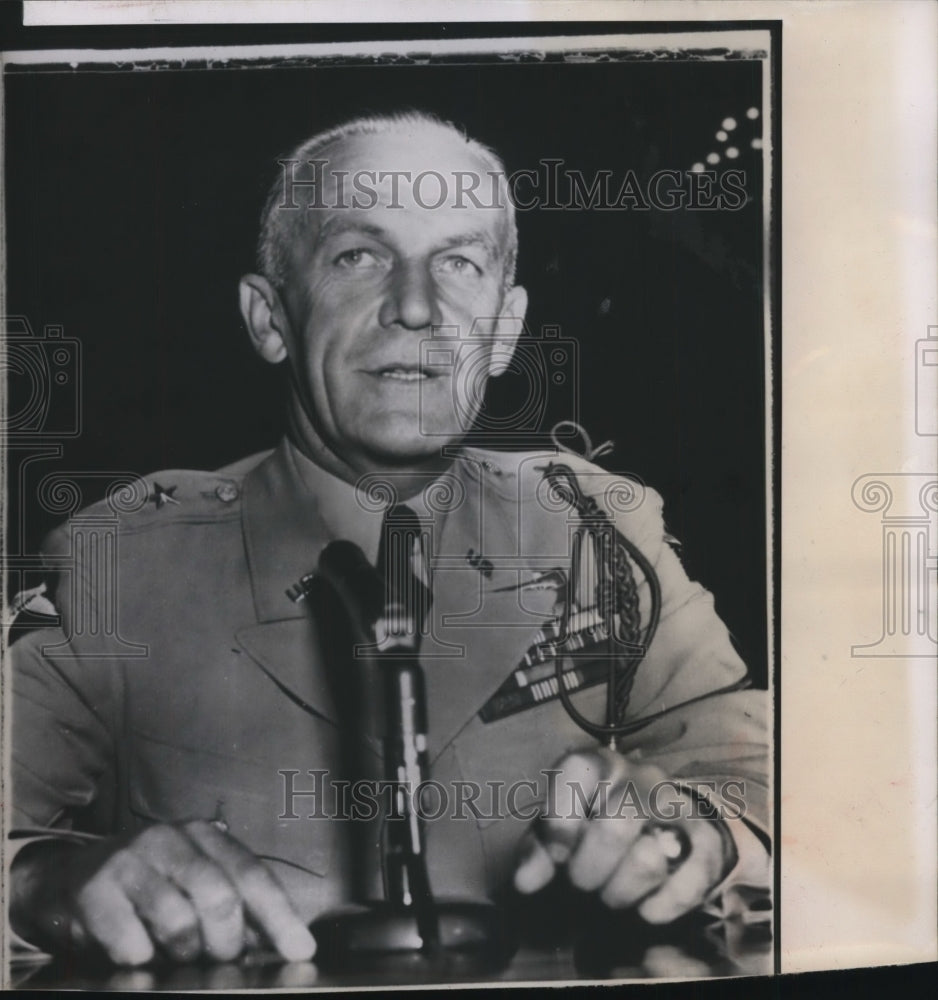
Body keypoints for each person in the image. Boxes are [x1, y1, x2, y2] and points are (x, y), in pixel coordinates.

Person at [8, 111, 770, 969]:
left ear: (507, 325)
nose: (417, 307)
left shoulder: (592, 529)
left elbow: (754, 763)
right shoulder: (128, 563)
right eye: (357, 257)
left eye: (458, 262)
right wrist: (52, 885)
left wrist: (697, 832)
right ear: (269, 319)